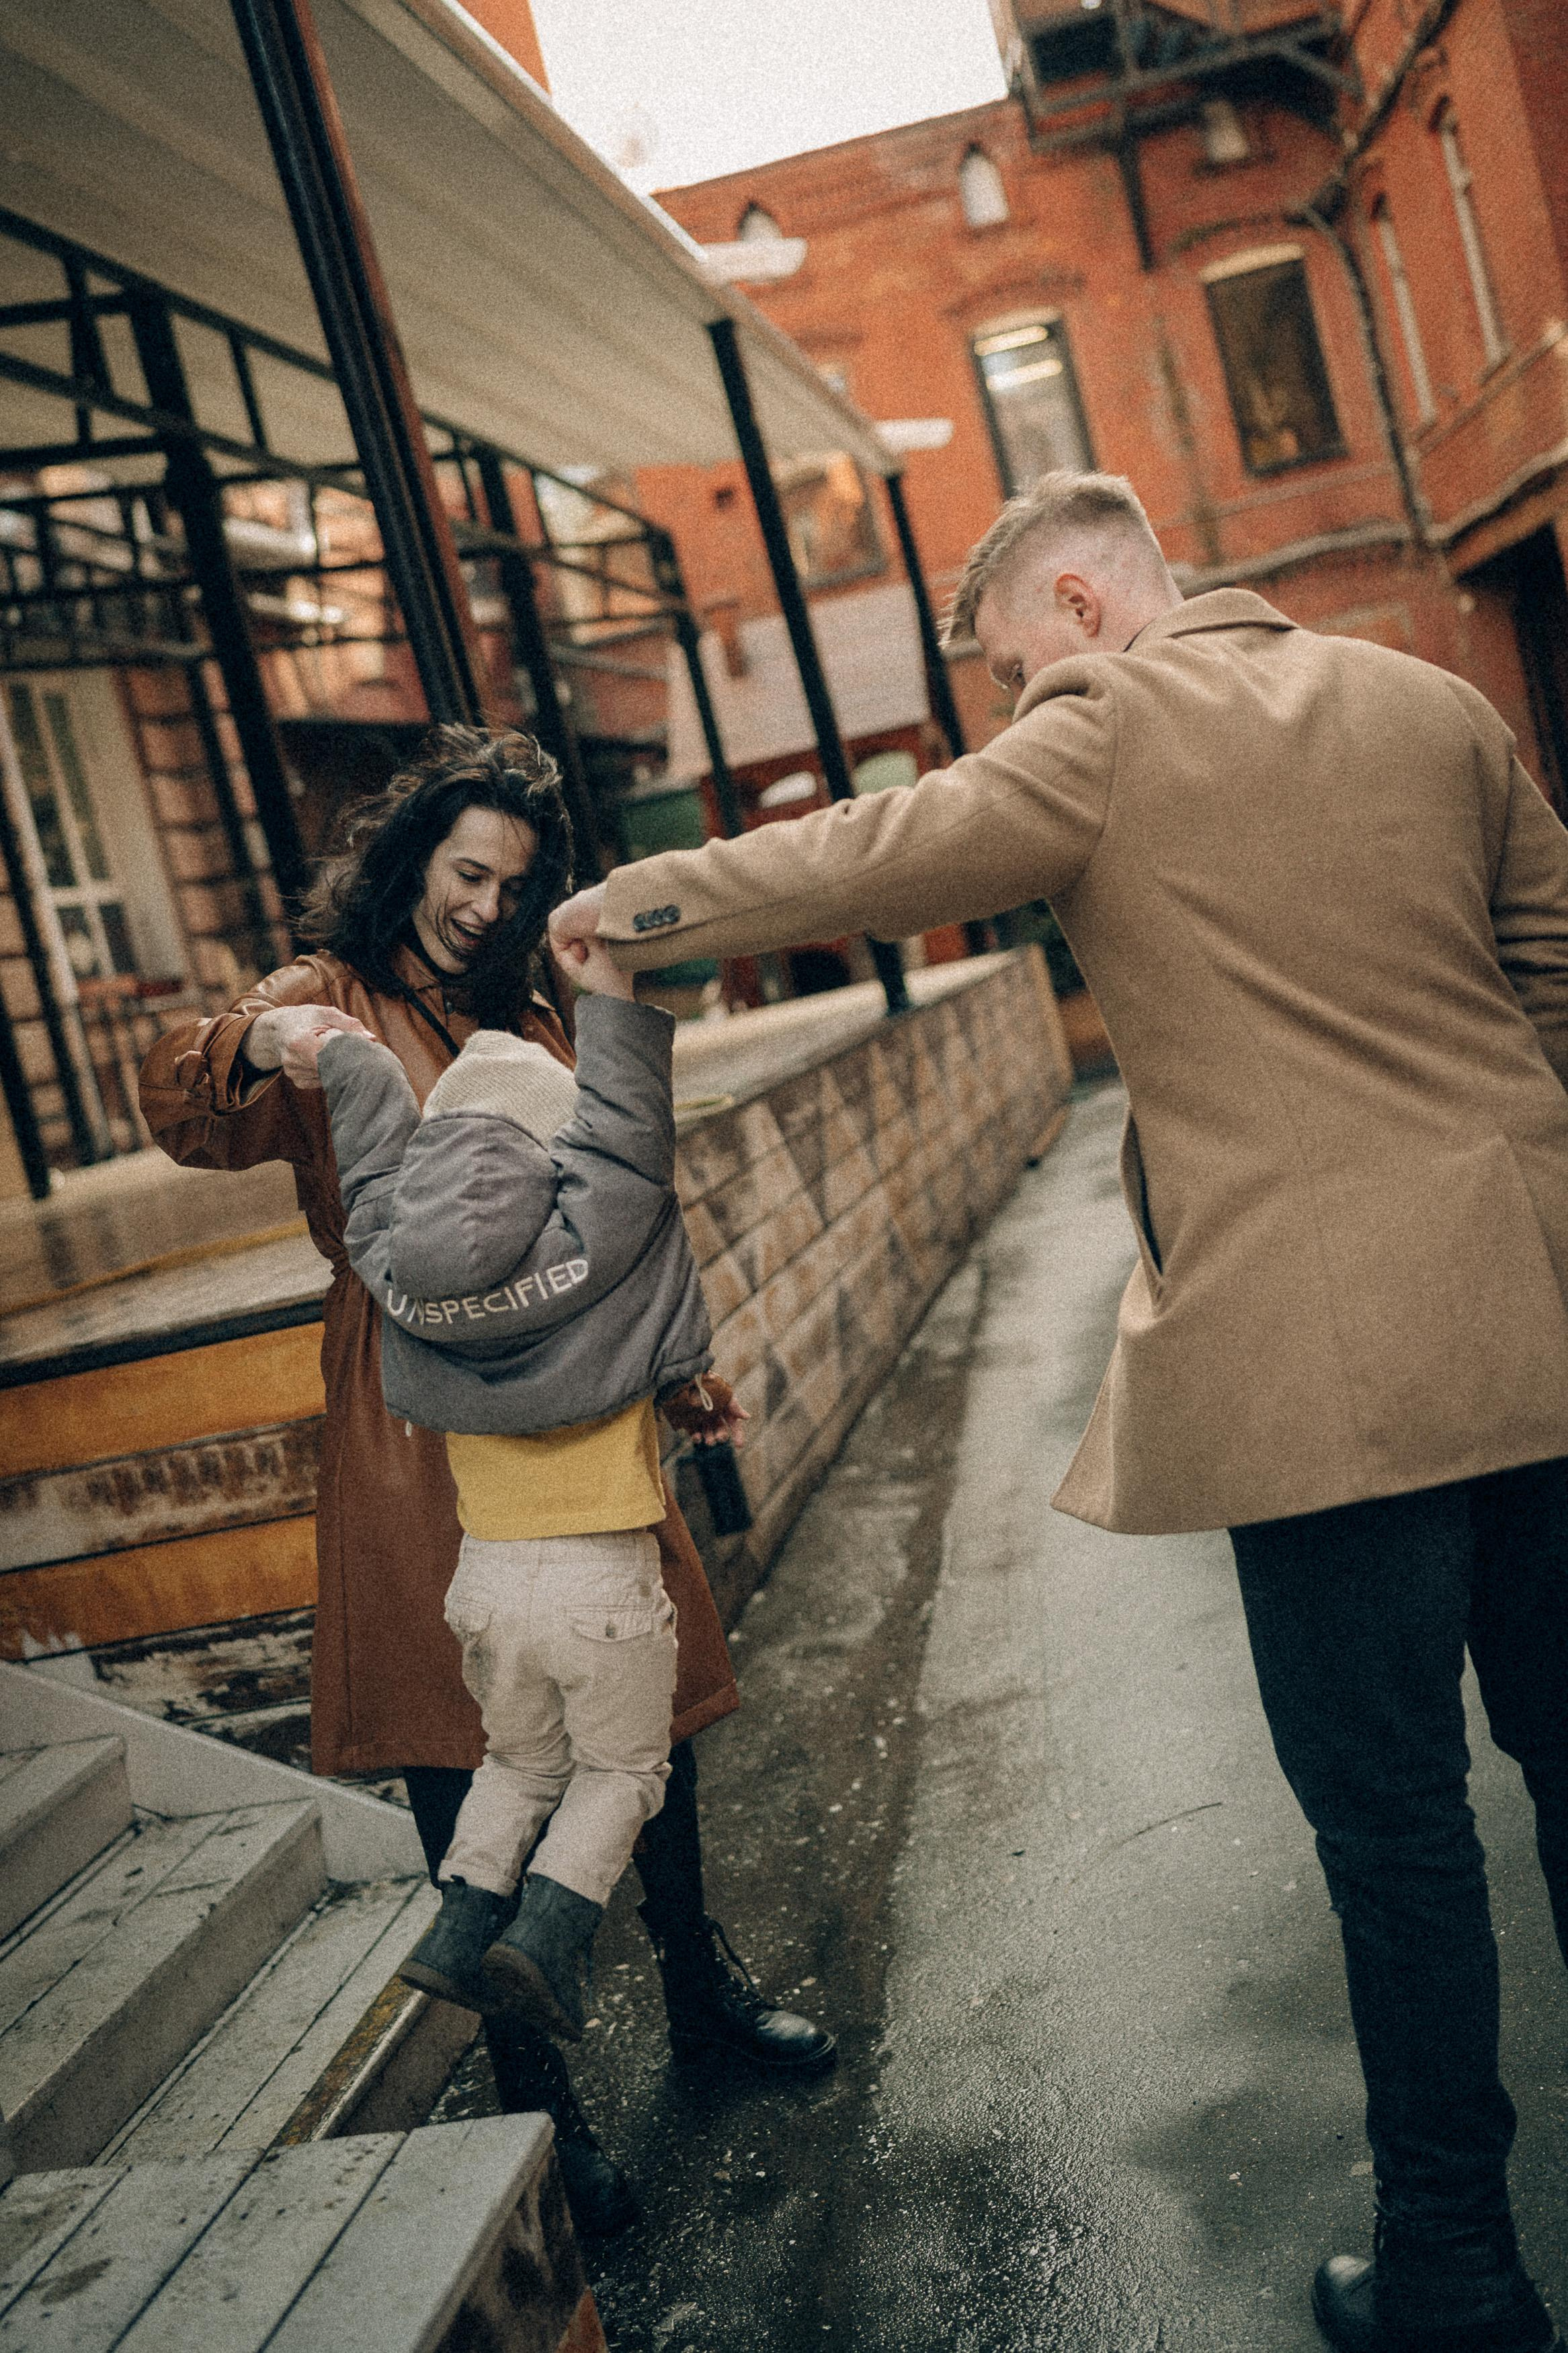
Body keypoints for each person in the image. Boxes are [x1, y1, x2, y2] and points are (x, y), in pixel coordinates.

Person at [551, 472, 1568, 2353]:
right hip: (1541, 1326)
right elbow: (1555, 983)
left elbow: (875, 852)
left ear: (1085, 609)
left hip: (1318, 1387)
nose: (1014, 704)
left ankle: (1456, 2270)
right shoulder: (1430, 699)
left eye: (1014, 666)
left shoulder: (1097, 723)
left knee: (1400, 1842)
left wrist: (625, 906)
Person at [140, 727, 835, 2238]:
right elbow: (182, 1097)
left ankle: (699, 1992)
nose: (483, 901)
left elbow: (621, 1181)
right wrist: (246, 1045)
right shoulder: (326, 996)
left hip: (586, 1396)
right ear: (413, 862)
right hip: (417, 1417)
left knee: (647, 1702)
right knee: (475, 1737)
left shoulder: (533, 1004)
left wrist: (680, 1360)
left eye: (512, 881)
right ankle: (538, 2096)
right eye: (466, 870)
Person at [303, 932, 743, 2040]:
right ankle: (547, 1940)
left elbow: (366, 1172)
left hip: (486, 1588)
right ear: (558, 1161)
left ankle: (459, 1929)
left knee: (518, 1763)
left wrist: (349, 1067)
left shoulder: (400, 1275)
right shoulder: (599, 1255)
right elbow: (633, 1144)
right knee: (623, 1773)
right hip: (600, 1581)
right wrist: (614, 996)